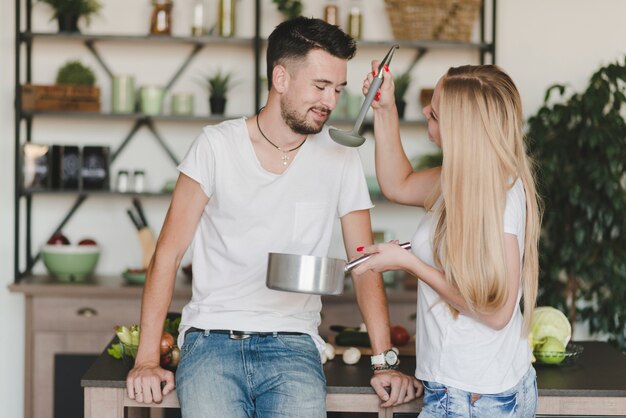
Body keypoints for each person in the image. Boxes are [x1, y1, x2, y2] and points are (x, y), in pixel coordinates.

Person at [125, 16, 421, 418]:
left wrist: (385, 362)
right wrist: (146, 360)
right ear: (280, 78)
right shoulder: (215, 146)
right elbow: (167, 255)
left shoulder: (340, 157)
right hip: (211, 340)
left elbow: (365, 262)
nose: (331, 102)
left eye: (338, 89)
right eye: (320, 86)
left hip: (293, 343)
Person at [355, 64, 541, 417]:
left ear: (460, 128)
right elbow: (398, 183)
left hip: (472, 397)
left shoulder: (499, 195)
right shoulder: (464, 177)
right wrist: (385, 109)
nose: (426, 110)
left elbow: (497, 312)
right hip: (470, 389)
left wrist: (410, 264)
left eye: (436, 112)